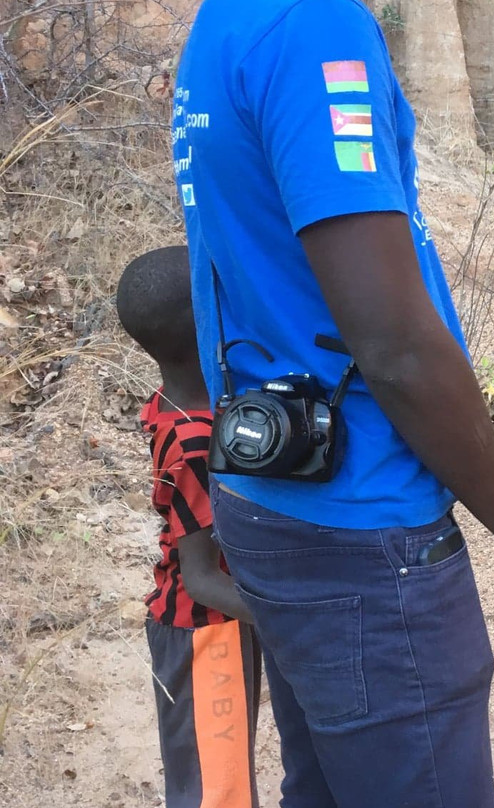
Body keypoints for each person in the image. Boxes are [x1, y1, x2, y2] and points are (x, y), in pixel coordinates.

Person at [169, 1, 494, 805]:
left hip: (272, 497)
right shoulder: (313, 27)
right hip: (359, 528)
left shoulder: (227, 22)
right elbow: (393, 344)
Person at [116, 246, 262, 808]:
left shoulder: (175, 406)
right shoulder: (196, 441)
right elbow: (200, 576)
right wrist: (293, 618)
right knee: (215, 792)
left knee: (218, 779)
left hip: (216, 621)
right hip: (205, 627)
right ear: (206, 321)